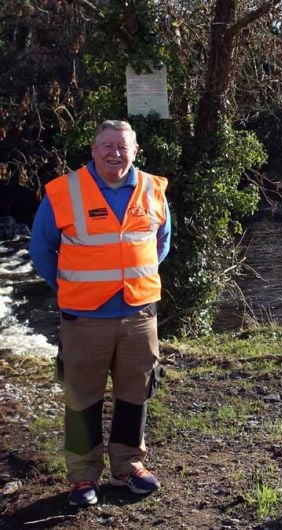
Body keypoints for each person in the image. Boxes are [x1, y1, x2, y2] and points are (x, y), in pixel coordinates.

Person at [30, 120, 170, 507]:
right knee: (81, 397)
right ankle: (82, 477)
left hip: (139, 314)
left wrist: (134, 283)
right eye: (107, 146)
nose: (115, 153)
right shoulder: (63, 192)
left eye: (123, 147)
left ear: (135, 151)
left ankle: (128, 467)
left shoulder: (153, 188)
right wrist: (72, 289)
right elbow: (41, 251)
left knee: (135, 391)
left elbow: (161, 244)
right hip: (84, 316)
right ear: (93, 151)